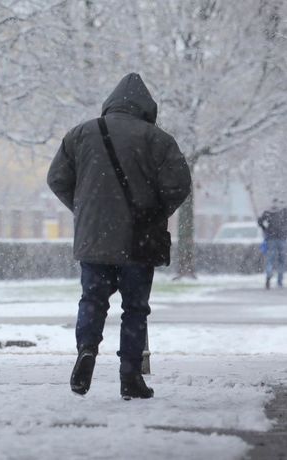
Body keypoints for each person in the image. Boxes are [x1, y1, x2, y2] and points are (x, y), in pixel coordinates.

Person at [46, 73, 191, 400]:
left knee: (92, 300)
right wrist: (155, 212)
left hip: (94, 238)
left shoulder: (80, 134)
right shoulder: (157, 139)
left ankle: (86, 349)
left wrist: (84, 210)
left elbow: (57, 179)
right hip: (138, 239)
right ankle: (130, 376)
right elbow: (179, 185)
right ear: (147, 108)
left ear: (110, 103)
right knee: (135, 308)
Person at [257, 199, 287, 289]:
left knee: (270, 259)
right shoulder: (284, 211)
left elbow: (260, 222)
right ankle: (280, 281)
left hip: (271, 238)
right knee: (282, 260)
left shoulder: (268, 212)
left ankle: (269, 274)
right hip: (282, 238)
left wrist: (265, 229)